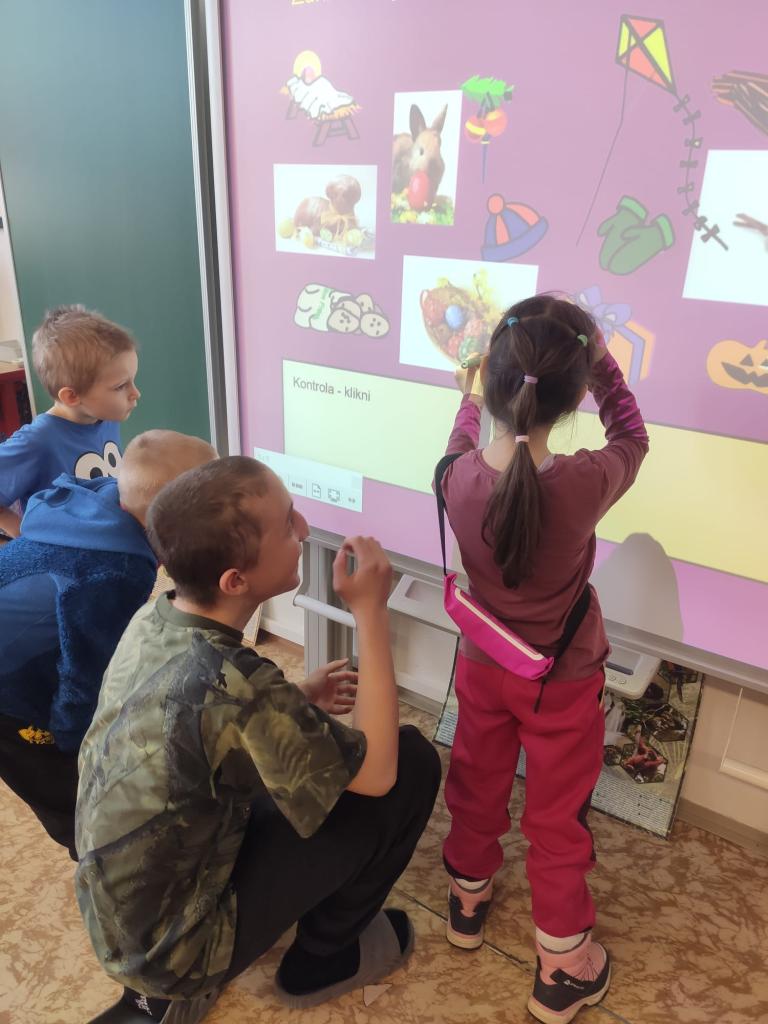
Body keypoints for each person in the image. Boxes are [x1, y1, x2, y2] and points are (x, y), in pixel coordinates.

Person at [75, 456, 441, 1024]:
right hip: (176, 953)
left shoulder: (155, 617)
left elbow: (199, 717)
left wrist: (295, 698)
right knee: (413, 762)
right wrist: (371, 611)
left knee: (305, 768)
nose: (304, 530)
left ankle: (165, 984)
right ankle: (322, 960)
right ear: (235, 582)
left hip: (121, 921)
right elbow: (377, 777)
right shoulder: (242, 686)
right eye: (289, 523)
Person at [437, 294, 649, 1023]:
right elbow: (633, 435)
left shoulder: (456, 479)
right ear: (573, 396)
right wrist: (603, 365)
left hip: (483, 665)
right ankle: (562, 968)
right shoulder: (586, 481)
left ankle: (467, 903)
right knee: (557, 820)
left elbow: (460, 439)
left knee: (475, 782)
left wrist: (468, 397)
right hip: (563, 681)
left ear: (493, 382)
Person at [0, 430, 217, 859]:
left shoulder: (96, 501)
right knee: (72, 797)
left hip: (23, 647)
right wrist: (81, 745)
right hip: (9, 696)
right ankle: (102, 866)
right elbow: (85, 673)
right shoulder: (116, 569)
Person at [0, 305, 140, 538]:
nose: (135, 393)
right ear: (72, 396)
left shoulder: (105, 417)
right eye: (120, 386)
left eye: (132, 381)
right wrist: (21, 531)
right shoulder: (38, 440)